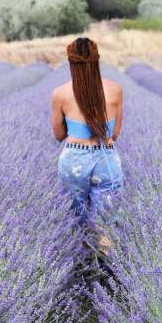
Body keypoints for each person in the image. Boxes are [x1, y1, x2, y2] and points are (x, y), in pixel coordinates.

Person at [50, 37, 124, 254]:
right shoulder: (115, 90)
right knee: (106, 224)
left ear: (71, 62)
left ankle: (78, 270)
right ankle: (106, 276)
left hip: (74, 160)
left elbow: (58, 134)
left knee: (75, 221)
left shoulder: (60, 93)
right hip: (106, 159)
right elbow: (115, 133)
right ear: (97, 59)